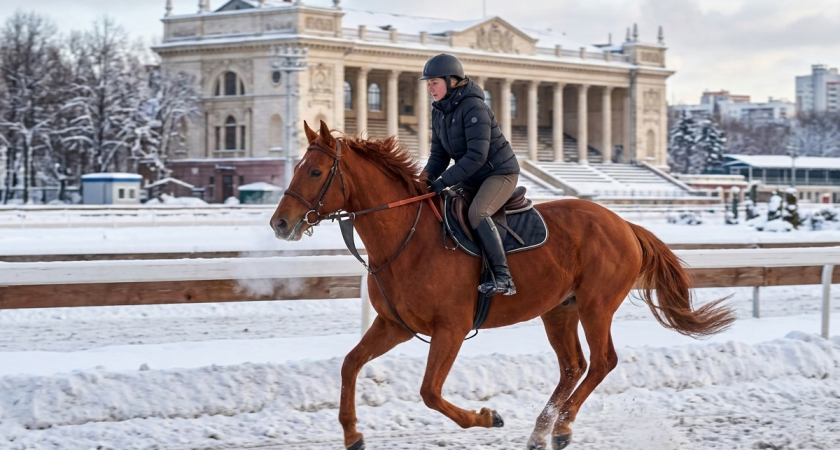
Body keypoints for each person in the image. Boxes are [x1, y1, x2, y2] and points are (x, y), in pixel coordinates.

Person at [420, 53, 520, 296]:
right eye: (428, 83)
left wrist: (443, 181)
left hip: (499, 172)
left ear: (451, 81)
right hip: (472, 175)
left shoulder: (474, 106)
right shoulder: (439, 112)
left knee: (478, 212)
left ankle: (503, 276)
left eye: (434, 82)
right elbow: (438, 156)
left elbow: (477, 156)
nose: (430, 88)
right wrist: (423, 181)